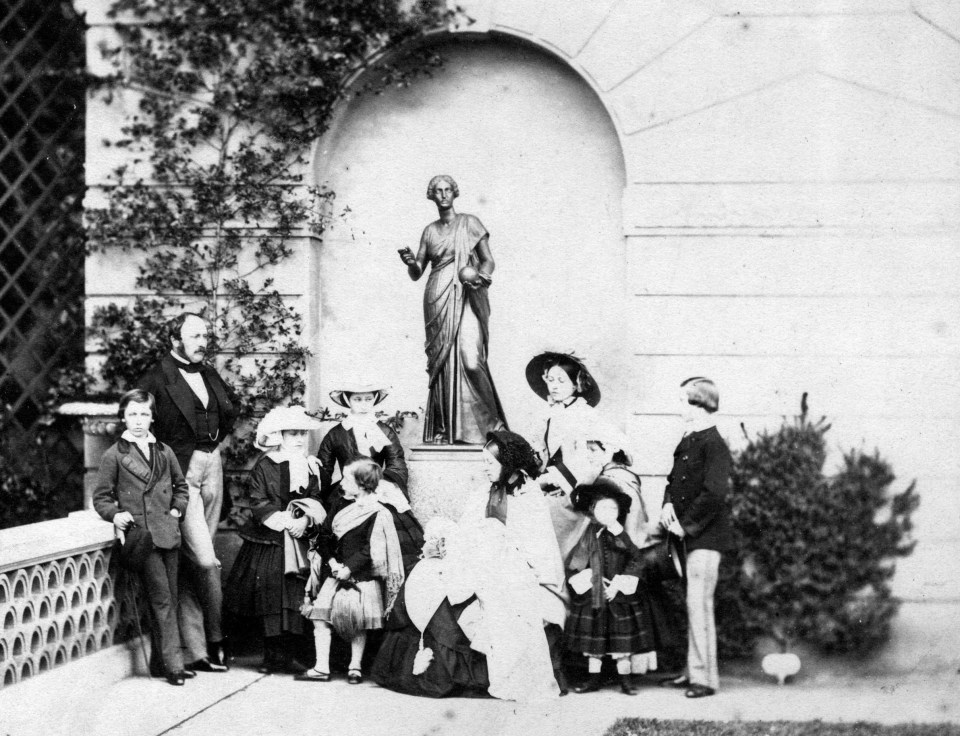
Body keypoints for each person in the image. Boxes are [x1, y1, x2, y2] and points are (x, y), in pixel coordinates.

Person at [137, 312, 236, 672]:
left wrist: (214, 448)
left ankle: (195, 651)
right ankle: (215, 637)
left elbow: (229, 411)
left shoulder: (208, 373)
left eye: (204, 335)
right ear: (175, 341)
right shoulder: (156, 378)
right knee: (207, 561)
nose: (202, 341)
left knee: (196, 560)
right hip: (181, 471)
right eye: (194, 336)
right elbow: (142, 427)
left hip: (214, 466)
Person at [454, 430, 568, 700]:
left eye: (490, 463)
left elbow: (537, 545)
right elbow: (467, 530)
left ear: (508, 465)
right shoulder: (485, 491)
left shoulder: (529, 495)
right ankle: (504, 677)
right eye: (484, 462)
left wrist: (501, 544)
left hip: (519, 566)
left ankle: (519, 679)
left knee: (512, 601)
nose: (485, 468)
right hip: (484, 562)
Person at [398, 174, 508, 444]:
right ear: (432, 196)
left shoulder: (469, 223)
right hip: (437, 294)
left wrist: (480, 278)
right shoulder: (429, 230)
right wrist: (411, 261)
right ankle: (447, 429)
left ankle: (493, 426)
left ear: (455, 193)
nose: (444, 194)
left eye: (448, 190)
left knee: (471, 359)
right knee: (444, 362)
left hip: (466, 291)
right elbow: (417, 272)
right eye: (438, 191)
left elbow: (488, 260)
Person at [92, 389, 191, 686]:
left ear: (152, 417)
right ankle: (175, 665)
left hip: (168, 534)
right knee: (162, 599)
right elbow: (101, 498)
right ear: (123, 416)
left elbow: (181, 487)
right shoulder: (115, 455)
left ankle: (160, 662)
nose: (138, 420)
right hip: (142, 538)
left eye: (144, 414)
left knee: (170, 598)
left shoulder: (164, 451)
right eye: (132, 414)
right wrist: (115, 514)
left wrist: (176, 510)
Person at [223, 406, 326, 674]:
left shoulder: (311, 466)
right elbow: (258, 500)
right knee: (270, 594)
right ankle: (271, 656)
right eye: (293, 433)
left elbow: (315, 498)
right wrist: (282, 521)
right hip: (271, 540)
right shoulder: (266, 465)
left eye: (303, 433)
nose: (300, 439)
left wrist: (304, 521)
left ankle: (294, 654)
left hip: (300, 538)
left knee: (297, 594)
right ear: (279, 435)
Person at [659, 377, 734, 699]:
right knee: (692, 606)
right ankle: (692, 671)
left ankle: (704, 679)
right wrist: (666, 506)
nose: (677, 409)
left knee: (699, 605)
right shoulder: (689, 440)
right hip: (688, 536)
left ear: (698, 403)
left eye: (681, 401)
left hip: (705, 538)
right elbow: (673, 481)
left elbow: (715, 493)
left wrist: (685, 526)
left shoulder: (714, 443)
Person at [300, 459, 405, 684]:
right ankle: (321, 667)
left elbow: (372, 549)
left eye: (348, 479)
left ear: (362, 484)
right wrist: (334, 563)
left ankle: (355, 667)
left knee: (358, 623)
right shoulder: (339, 504)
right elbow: (325, 536)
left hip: (362, 576)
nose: (343, 483)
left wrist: (350, 568)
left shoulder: (379, 511)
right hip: (336, 572)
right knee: (320, 617)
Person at [524, 351, 634, 561]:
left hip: (577, 488)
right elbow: (537, 451)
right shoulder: (549, 414)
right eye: (550, 380)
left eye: (561, 381)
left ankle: (556, 577)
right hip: (551, 484)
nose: (554, 386)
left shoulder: (585, 415)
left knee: (549, 515)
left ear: (576, 385)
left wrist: (554, 480)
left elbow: (593, 460)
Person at [370, 518, 490, 698]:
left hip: (437, 575)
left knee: (442, 620)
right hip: (427, 572)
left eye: (433, 541)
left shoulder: (452, 560)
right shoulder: (427, 563)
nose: (427, 544)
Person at [565, 480, 656, 696]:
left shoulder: (621, 535)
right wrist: (589, 579)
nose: (608, 512)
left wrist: (618, 585)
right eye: (602, 508)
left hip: (618, 597)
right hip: (594, 597)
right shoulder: (588, 536)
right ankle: (593, 680)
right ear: (593, 511)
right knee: (594, 645)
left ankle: (625, 682)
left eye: (613, 508)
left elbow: (637, 560)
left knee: (621, 645)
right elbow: (576, 563)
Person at [317, 382, 408, 504]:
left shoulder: (385, 431)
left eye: (368, 399)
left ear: (374, 399)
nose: (364, 405)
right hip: (347, 491)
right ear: (348, 400)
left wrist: (380, 485)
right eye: (357, 400)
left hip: (378, 489)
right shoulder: (335, 434)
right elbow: (324, 470)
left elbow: (397, 464)